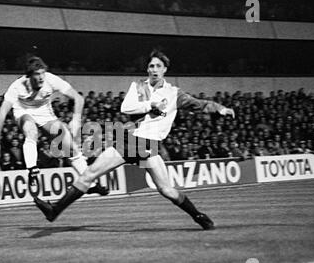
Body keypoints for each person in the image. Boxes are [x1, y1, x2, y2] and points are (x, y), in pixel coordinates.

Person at [34, 50, 235, 230]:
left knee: (166, 189)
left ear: (165, 69)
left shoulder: (174, 94)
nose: (153, 69)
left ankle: (198, 215)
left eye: (158, 66)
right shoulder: (138, 86)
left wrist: (220, 108)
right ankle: (54, 211)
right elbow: (126, 108)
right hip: (130, 140)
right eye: (151, 66)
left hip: (148, 144)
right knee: (90, 173)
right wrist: (150, 105)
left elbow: (199, 105)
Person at [0, 56, 108, 195]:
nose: (41, 77)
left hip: (45, 114)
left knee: (69, 146)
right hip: (23, 111)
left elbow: (78, 98)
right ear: (28, 76)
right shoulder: (17, 87)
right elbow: (3, 112)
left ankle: (90, 184)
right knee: (31, 130)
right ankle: (32, 168)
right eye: (37, 74)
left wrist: (75, 119)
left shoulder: (51, 79)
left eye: (42, 73)